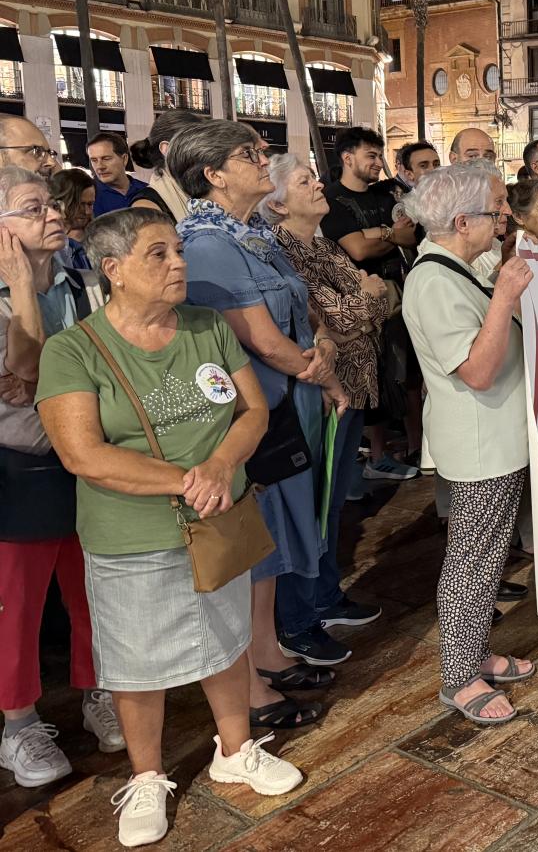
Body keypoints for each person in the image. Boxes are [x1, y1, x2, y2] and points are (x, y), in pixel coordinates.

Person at [36, 207, 303, 847]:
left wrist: (217, 465)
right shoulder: (73, 351)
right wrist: (190, 480)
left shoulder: (206, 327)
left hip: (218, 522)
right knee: (136, 664)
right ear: (113, 271)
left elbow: (253, 410)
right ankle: (148, 775)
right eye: (159, 254)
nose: (179, 262)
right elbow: (83, 454)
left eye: (177, 249)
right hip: (132, 536)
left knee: (228, 634)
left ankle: (236, 749)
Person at [166, 122, 350, 710]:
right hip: (246, 412)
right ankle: (242, 675)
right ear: (214, 175)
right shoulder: (206, 244)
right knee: (249, 540)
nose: (263, 158)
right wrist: (318, 367)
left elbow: (303, 306)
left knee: (272, 538)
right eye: (250, 154)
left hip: (287, 400)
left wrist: (321, 348)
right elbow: (263, 341)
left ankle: (267, 648)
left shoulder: (253, 234)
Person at [0, 167, 123, 791]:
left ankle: (97, 691)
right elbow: (27, 371)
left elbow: (43, 379)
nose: (52, 214)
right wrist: (21, 291)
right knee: (16, 605)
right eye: (30, 208)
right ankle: (18, 722)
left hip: (86, 456)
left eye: (51, 204)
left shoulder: (81, 284)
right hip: (18, 470)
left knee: (90, 589)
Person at [401, 162, 536, 727]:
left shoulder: (460, 267)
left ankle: (474, 651)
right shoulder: (432, 282)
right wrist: (505, 295)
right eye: (497, 208)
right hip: (478, 443)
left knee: (489, 554)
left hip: (496, 436)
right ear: (462, 221)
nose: (505, 216)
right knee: (473, 562)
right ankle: (458, 677)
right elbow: (477, 371)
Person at [259, 154, 388, 663]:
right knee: (310, 508)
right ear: (277, 201)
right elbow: (339, 316)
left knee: (330, 506)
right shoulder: (284, 251)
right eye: (304, 181)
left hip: (350, 386)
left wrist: (366, 302)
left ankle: (325, 596)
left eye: (315, 177)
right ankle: (299, 617)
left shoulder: (325, 245)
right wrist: (367, 298)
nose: (318, 187)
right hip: (318, 395)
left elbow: (370, 306)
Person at [319, 128, 421, 482]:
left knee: (401, 375)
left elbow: (411, 233)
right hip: (360, 304)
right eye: (371, 156)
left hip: (397, 296)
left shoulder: (385, 193)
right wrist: (391, 235)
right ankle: (370, 460)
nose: (379, 163)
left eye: (380, 156)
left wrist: (381, 235)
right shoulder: (333, 199)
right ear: (347, 158)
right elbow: (358, 250)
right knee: (369, 378)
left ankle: (403, 449)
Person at [129, 110, 205, 222]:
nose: (204, 153)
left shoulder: (203, 189)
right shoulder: (147, 206)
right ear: (166, 149)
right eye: (195, 145)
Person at [88, 134, 151, 216]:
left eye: (106, 159)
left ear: (124, 159)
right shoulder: (87, 197)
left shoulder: (147, 190)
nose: (100, 166)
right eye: (94, 160)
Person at [49, 167, 96, 270]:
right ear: (59, 204)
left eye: (90, 204)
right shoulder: (47, 245)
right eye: (80, 205)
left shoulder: (99, 237)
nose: (87, 211)